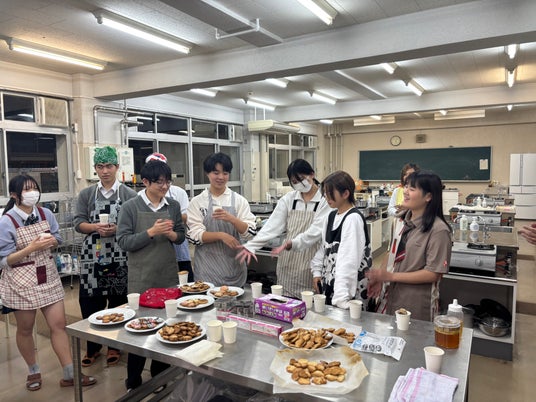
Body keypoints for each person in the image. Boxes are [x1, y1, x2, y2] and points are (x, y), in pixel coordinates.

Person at [0, 175, 96, 391]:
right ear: (14, 195)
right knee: (25, 329)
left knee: (59, 325)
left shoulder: (45, 214)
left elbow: (58, 238)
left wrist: (53, 241)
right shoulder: (6, 222)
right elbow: (4, 260)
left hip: (48, 276)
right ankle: (33, 370)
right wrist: (30, 248)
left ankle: (70, 373)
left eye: (34, 188)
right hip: (21, 281)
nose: (32, 193)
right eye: (26, 190)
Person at [117, 160, 185, 391]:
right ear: (145, 182)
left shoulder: (172, 205)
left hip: (166, 275)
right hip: (142, 277)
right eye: (159, 183)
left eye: (167, 182)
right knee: (139, 329)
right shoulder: (130, 207)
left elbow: (181, 235)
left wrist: (172, 235)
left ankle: (159, 376)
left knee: (166, 328)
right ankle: (133, 381)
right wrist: (151, 232)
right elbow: (123, 241)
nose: (165, 187)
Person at [74, 146, 137, 367]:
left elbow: (135, 225)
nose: (105, 171)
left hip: (120, 255)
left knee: (118, 300)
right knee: (90, 301)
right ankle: (92, 347)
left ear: (117, 167)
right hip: (93, 256)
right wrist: (95, 227)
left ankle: (115, 345)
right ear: (95, 169)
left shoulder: (129, 195)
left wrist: (117, 229)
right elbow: (78, 223)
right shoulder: (87, 194)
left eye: (109, 166)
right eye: (100, 167)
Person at [237, 159, 330, 298]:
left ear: (312, 174)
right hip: (288, 259)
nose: (298, 184)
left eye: (301, 179)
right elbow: (272, 226)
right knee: (285, 301)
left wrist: (293, 243)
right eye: (294, 181)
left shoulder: (325, 200)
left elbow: (315, 232)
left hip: (312, 259)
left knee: (310, 302)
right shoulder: (289, 199)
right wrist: (252, 245)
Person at [367, 170, 452, 322]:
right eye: (406, 186)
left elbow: (433, 273)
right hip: (391, 296)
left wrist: (391, 276)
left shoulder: (438, 230)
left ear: (428, 196)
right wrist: (381, 277)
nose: (405, 191)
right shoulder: (401, 220)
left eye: (412, 189)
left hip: (416, 303)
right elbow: (391, 252)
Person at [187, 152, 256, 287]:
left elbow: (250, 232)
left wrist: (232, 219)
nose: (221, 177)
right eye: (216, 173)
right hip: (206, 271)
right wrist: (221, 235)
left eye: (225, 173)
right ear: (207, 173)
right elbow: (194, 236)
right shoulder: (197, 202)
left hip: (234, 270)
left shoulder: (239, 201)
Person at [310, 171, 372, 309]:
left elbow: (348, 262)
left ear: (345, 194)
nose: (327, 197)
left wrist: (341, 298)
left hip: (348, 294)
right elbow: (324, 248)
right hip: (332, 286)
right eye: (325, 193)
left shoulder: (353, 219)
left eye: (330, 193)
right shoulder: (331, 216)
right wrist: (317, 272)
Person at [145, 152, 193, 281]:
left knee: (186, 284)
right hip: (152, 249)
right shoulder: (139, 197)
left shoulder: (178, 193)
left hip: (178, 247)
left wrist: (170, 220)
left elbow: (187, 217)